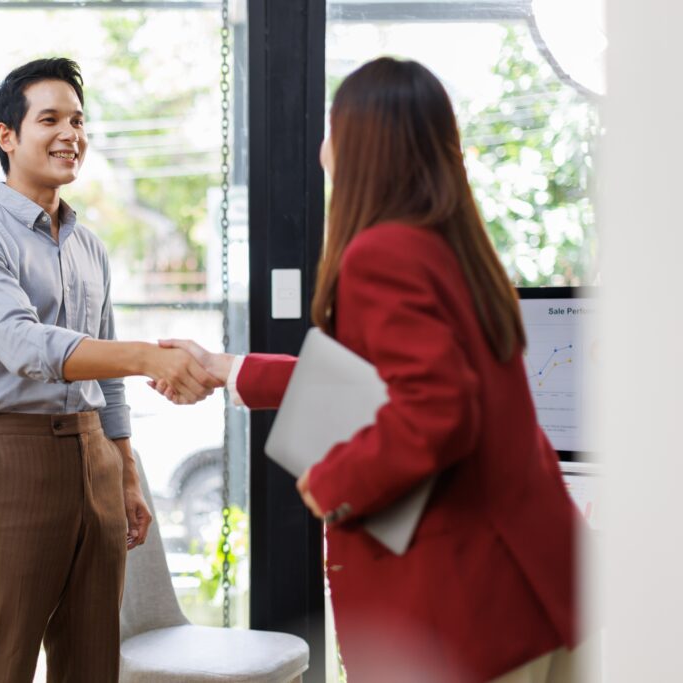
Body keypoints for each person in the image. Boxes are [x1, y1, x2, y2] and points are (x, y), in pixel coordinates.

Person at [156, 57, 589, 682]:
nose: (322, 148)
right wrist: (227, 369)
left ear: (361, 143)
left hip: (469, 600)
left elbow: (435, 408)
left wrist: (334, 480)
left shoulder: (383, 252)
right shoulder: (452, 246)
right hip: (538, 583)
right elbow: (371, 382)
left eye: (331, 128)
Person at [0, 57, 221, 683]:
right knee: (2, 662)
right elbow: (25, 344)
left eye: (78, 120)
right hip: (14, 460)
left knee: (94, 660)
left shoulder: (89, 244)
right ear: (6, 136)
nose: (71, 134)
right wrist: (151, 356)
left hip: (94, 456)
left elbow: (106, 373)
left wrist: (123, 471)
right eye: (51, 119)